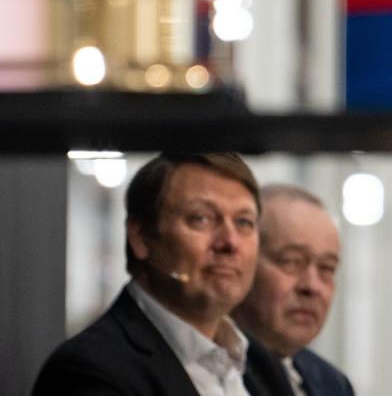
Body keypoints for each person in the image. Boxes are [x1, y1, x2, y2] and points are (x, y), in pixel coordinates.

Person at [32, 152, 290, 396]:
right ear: (141, 236)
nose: (230, 242)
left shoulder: (263, 365)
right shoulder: (88, 371)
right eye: (201, 218)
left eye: (244, 222)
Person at [233, 185, 354, 396]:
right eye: (292, 262)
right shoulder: (213, 373)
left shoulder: (332, 384)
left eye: (326, 268)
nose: (312, 286)